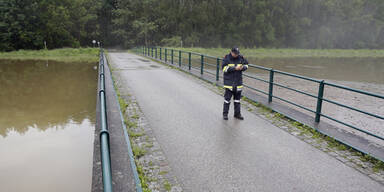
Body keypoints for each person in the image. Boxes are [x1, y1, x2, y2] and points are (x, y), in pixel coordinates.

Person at [222, 47, 248, 120]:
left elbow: (246, 65)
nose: (236, 55)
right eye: (235, 53)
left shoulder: (241, 57)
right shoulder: (226, 58)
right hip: (229, 83)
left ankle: (237, 114)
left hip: (238, 83)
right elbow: (224, 68)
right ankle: (225, 114)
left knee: (237, 100)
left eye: (237, 54)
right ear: (231, 52)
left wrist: (242, 68)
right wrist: (234, 68)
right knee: (227, 100)